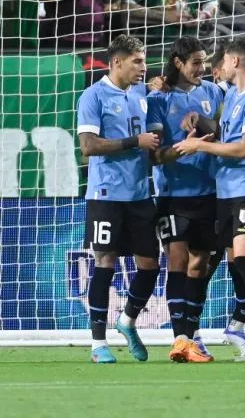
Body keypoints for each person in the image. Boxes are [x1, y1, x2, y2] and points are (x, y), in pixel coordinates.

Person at [174, 37, 245, 363]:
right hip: (227, 192)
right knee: (239, 266)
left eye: (223, 60)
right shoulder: (233, 94)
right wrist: (199, 123)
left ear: (235, 61)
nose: (218, 67)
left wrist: (199, 147)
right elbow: (224, 130)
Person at [76, 35, 161, 363]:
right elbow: (88, 147)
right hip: (106, 195)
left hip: (140, 194)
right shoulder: (93, 96)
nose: (143, 66)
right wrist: (133, 142)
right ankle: (98, 344)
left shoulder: (141, 94)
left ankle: (127, 320)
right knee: (105, 262)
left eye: (144, 60)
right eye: (137, 61)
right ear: (116, 63)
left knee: (150, 265)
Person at [147, 37, 224, 363]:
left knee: (201, 264)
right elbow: (153, 156)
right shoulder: (158, 99)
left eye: (204, 61)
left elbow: (222, 131)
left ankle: (192, 333)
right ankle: (180, 339)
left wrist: (202, 125)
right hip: (173, 195)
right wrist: (182, 147)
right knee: (177, 260)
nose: (201, 68)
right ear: (178, 62)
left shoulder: (214, 92)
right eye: (195, 61)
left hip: (209, 192)